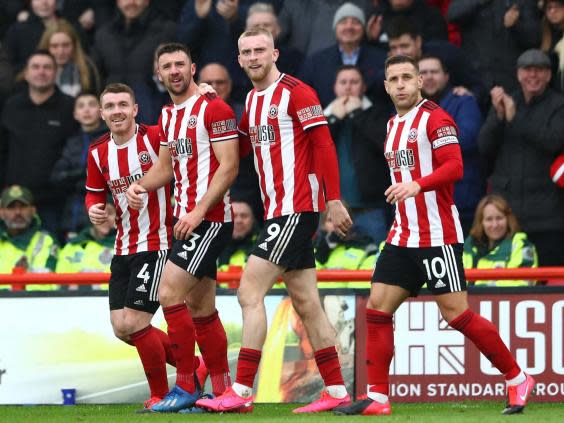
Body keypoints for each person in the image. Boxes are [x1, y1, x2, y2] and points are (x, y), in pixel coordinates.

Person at [333, 55, 534, 416]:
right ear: (385, 86)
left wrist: (417, 185)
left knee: (456, 315)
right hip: (401, 235)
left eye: (407, 77)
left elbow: (455, 166)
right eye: (393, 78)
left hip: (437, 235)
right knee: (377, 307)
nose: (400, 84)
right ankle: (378, 398)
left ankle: (517, 378)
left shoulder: (436, 118)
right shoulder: (393, 124)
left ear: (420, 82)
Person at [196, 27, 353, 414]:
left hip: (296, 210)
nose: (253, 57)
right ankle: (336, 389)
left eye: (259, 50)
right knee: (306, 303)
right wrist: (214, 109)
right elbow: (244, 146)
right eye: (246, 51)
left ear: (275, 54)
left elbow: (323, 145)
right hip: (279, 211)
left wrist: (333, 201)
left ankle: (242, 391)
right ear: (239, 59)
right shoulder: (251, 99)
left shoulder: (296, 92)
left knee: (249, 292)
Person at [126, 42, 238, 413]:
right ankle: (222, 391)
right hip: (186, 221)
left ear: (193, 68)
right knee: (201, 308)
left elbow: (229, 166)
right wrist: (139, 185)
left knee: (169, 291)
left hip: (209, 219)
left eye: (180, 64)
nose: (174, 71)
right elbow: (165, 168)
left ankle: (187, 386)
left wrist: (197, 211)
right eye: (166, 66)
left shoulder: (214, 107)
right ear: (158, 75)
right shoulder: (168, 116)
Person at [85, 83, 176, 411]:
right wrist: (94, 209)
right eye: (110, 106)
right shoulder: (97, 151)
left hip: (157, 242)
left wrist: (203, 94)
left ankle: (160, 397)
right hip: (123, 246)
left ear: (136, 109)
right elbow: (95, 193)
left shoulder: (154, 138)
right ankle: (196, 367)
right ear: (101, 113)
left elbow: (182, 123)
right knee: (122, 328)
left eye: (124, 104)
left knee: (136, 323)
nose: (117, 111)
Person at [478, 49, 564, 269]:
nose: (533, 75)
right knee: (507, 281)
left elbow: (553, 141)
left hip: (548, 215)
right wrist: (498, 117)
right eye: (527, 70)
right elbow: (484, 146)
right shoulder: (507, 101)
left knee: (548, 280)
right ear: (518, 74)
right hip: (507, 213)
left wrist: (515, 118)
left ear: (548, 75)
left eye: (539, 70)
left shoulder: (559, 105)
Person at [0, 50, 78, 237]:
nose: (41, 72)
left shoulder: (69, 107)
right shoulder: (11, 106)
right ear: (26, 73)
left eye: (47, 67)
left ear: (55, 73)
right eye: (35, 67)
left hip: (54, 203)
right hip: (14, 201)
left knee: (50, 261)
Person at [323, 65, 390, 244]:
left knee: (376, 264)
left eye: (354, 82)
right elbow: (313, 151)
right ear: (334, 87)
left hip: (371, 209)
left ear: (363, 87)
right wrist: (333, 120)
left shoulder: (377, 114)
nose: (348, 87)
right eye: (343, 82)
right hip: (332, 212)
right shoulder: (323, 117)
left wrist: (357, 114)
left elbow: (385, 145)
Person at [418, 55, 484, 235]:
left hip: (460, 199)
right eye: (423, 72)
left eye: (434, 72)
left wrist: (423, 143)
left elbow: (468, 138)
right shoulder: (408, 107)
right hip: (423, 204)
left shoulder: (463, 101)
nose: (429, 76)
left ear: (446, 77)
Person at [299, 2, 387, 107]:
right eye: (343, 22)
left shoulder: (381, 59)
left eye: (355, 22)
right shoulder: (316, 61)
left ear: (363, 29)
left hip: (373, 120)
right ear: (335, 28)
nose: (349, 27)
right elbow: (300, 95)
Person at [447, 0, 540, 93]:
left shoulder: (523, 2)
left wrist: (516, 25)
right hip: (476, 78)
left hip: (509, 79)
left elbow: (533, 40)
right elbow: (453, 15)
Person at [50, 92, 107, 237]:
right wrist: (83, 174)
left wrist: (74, 177)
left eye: (92, 105)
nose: (87, 110)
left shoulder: (110, 139)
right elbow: (57, 177)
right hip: (71, 216)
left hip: (101, 213)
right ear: (75, 114)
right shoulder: (71, 142)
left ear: (101, 112)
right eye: (81, 106)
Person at [463, 194, 538, 287]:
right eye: (489, 219)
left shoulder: (520, 244)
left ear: (508, 219)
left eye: (499, 218)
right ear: (481, 222)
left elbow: (524, 282)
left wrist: (481, 290)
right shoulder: (469, 246)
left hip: (504, 300)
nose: (495, 225)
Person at [0, 185, 58, 291]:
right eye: (11, 207)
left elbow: (49, 287)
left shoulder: (47, 241)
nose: (17, 212)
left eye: (23, 206)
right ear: (1, 212)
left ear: (33, 210)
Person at [56, 200, 116, 291]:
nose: (105, 217)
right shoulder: (72, 246)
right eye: (100, 211)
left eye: (110, 213)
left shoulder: (125, 247)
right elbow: (59, 282)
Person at [37, 18, 101, 97]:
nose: (61, 51)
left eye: (66, 45)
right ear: (46, 47)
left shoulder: (88, 69)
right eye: (54, 46)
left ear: (74, 46)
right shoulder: (36, 72)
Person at [218, 200, 260, 270]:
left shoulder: (265, 247)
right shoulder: (209, 246)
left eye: (244, 216)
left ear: (253, 220)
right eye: (233, 216)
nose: (238, 221)